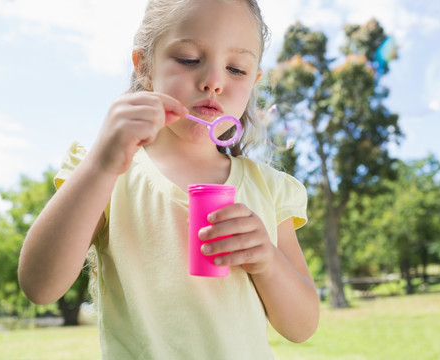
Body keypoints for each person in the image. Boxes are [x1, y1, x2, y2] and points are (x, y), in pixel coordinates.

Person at [18, 0, 320, 358]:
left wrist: (267, 260)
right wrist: (100, 164)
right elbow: (39, 286)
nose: (213, 81)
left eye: (236, 69)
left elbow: (302, 327)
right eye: (190, 59)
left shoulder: (268, 189)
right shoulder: (111, 172)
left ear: (254, 81)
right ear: (145, 66)